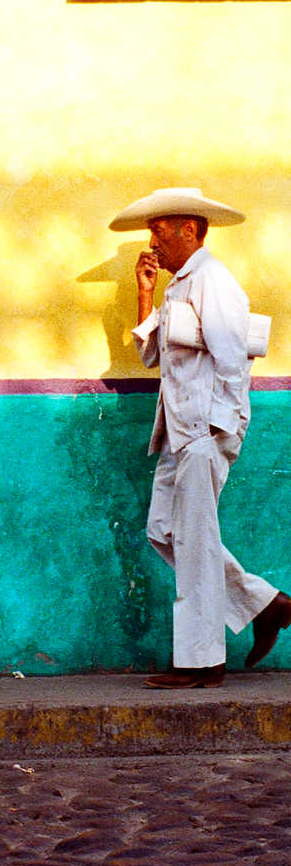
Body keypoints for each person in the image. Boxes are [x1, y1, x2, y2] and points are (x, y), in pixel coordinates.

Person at [110, 186, 291, 689]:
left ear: (190, 230)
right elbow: (153, 357)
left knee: (193, 542)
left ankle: (200, 661)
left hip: (204, 431)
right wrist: (144, 293)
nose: (154, 244)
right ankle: (265, 604)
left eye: (160, 233)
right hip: (179, 432)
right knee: (166, 531)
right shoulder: (178, 285)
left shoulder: (213, 280)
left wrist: (220, 428)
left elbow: (232, 360)